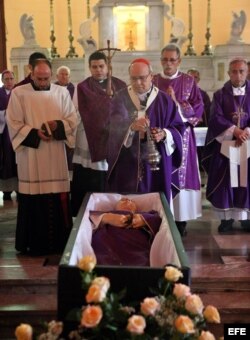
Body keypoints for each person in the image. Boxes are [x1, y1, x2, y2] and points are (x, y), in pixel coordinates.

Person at [6, 59, 78, 255]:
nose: (44, 82)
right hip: (31, 156)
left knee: (58, 196)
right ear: (31, 72)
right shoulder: (19, 94)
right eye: (40, 78)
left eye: (47, 78)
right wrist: (34, 133)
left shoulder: (61, 92)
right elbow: (13, 123)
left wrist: (58, 126)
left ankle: (60, 244)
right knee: (33, 200)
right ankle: (32, 243)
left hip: (55, 154)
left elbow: (72, 119)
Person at [107, 58, 184, 209]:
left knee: (156, 205)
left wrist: (165, 134)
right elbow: (111, 128)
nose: (138, 83)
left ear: (151, 76)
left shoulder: (165, 100)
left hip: (157, 163)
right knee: (127, 206)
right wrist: (130, 128)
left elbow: (178, 127)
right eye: (133, 78)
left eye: (142, 78)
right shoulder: (120, 98)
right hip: (127, 162)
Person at [153, 44, 204, 236]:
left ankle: (181, 221)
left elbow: (197, 111)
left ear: (179, 61)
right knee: (161, 174)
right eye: (165, 59)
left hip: (182, 138)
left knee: (181, 177)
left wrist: (175, 102)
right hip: (159, 138)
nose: (168, 63)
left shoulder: (189, 82)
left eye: (172, 60)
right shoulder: (154, 80)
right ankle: (160, 216)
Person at [71, 51, 126, 217]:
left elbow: (125, 111)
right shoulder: (82, 87)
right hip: (89, 139)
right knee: (90, 179)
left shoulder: (120, 85)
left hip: (114, 139)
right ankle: (87, 214)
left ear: (108, 66)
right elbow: (75, 112)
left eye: (101, 66)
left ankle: (112, 212)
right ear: (89, 68)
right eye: (94, 67)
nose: (98, 70)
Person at [202, 57, 250, 233]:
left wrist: (246, 132)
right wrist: (235, 131)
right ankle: (227, 219)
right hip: (226, 146)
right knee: (226, 182)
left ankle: (247, 218)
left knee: (247, 181)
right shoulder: (220, 95)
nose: (238, 75)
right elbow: (215, 118)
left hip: (249, 145)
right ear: (229, 73)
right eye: (234, 71)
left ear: (247, 72)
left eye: (241, 71)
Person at [90, 197, 162, 266]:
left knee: (140, 262)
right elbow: (88, 218)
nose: (128, 201)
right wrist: (106, 217)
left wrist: (143, 219)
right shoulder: (105, 213)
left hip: (135, 248)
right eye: (123, 200)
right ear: (115, 207)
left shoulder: (143, 215)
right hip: (107, 245)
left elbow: (158, 219)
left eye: (132, 202)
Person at [55, 65, 76, 178]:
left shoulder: (76, 90)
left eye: (66, 74)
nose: (64, 76)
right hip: (56, 124)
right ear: (57, 76)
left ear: (69, 76)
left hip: (71, 125)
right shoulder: (51, 89)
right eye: (61, 74)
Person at [0, 70, 18, 201]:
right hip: (3, 132)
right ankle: (6, 190)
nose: (9, 81)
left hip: (17, 131)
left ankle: (18, 189)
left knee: (17, 159)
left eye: (11, 78)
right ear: (2, 80)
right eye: (6, 79)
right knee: (5, 160)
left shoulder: (19, 93)